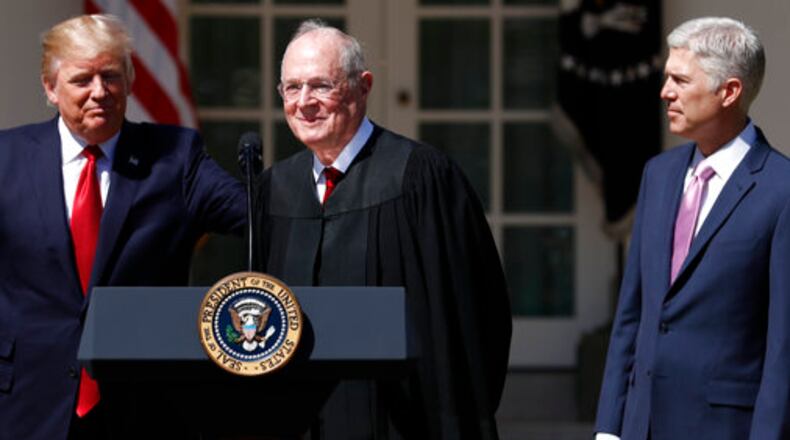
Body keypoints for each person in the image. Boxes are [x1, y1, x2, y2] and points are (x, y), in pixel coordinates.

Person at [252, 19, 512, 439]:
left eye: (320, 85)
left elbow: (478, 311)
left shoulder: (421, 179)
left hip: (404, 425)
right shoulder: (274, 190)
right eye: (291, 88)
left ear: (363, 86)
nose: (304, 102)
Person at [0, 14, 245, 439]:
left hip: (141, 406)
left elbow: (256, 217)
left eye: (111, 76)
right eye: (82, 80)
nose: (100, 92)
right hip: (25, 402)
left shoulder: (175, 157)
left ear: (130, 80)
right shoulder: (7, 158)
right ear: (50, 87)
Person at [595, 17, 790, 440]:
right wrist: (609, 427)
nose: (665, 92)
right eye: (667, 78)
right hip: (638, 426)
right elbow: (632, 314)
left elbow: (784, 347)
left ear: (729, 92)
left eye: (680, 80)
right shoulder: (658, 175)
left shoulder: (783, 190)